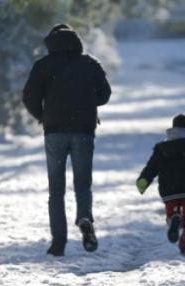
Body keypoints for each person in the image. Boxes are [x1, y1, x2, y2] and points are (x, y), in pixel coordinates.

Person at [22, 24, 112, 257]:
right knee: (82, 183)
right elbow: (104, 95)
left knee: (56, 190)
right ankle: (84, 218)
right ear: (76, 41)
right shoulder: (90, 64)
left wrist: (42, 115)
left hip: (55, 132)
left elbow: (29, 96)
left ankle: (58, 241)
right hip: (83, 130)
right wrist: (85, 101)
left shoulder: (43, 66)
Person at [136, 114, 185, 256]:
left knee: (172, 213)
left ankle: (174, 218)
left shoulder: (162, 148)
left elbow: (152, 167)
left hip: (170, 191)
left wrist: (143, 180)